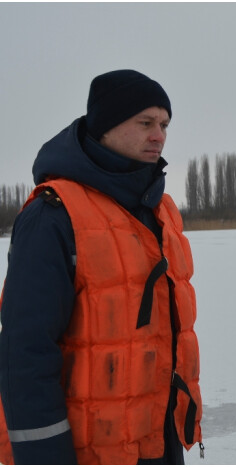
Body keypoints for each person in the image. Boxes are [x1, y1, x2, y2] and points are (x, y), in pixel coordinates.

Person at [0, 70, 203, 464]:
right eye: (145, 122)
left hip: (157, 444)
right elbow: (25, 355)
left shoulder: (161, 212)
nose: (159, 135)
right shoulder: (54, 214)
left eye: (164, 124)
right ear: (105, 127)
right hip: (86, 451)